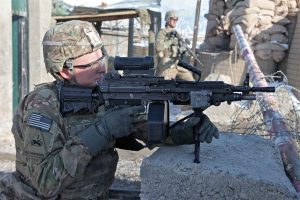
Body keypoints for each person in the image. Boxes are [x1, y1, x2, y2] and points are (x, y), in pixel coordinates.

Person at [0, 20, 219, 199]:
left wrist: (184, 131)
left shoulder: (108, 90)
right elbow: (45, 184)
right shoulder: (43, 106)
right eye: (90, 65)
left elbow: (148, 131)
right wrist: (102, 131)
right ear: (65, 71)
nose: (102, 68)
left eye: (102, 59)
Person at [155, 10, 195, 81]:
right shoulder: (162, 32)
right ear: (167, 19)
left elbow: (179, 49)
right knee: (164, 85)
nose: (175, 21)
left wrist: (184, 50)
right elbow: (158, 47)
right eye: (172, 19)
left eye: (176, 19)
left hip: (177, 63)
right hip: (167, 64)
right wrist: (170, 41)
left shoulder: (176, 33)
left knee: (192, 82)